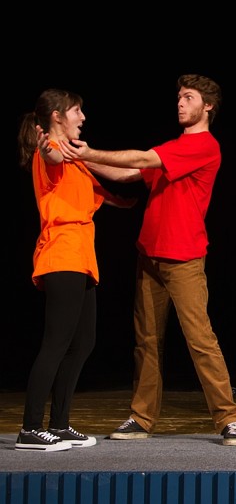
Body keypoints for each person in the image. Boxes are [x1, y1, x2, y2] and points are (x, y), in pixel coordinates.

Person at [58, 74, 236, 446]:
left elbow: (144, 158)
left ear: (208, 106)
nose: (180, 103)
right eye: (178, 97)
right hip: (149, 256)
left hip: (184, 258)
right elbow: (129, 172)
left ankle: (229, 418)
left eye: (188, 97)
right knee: (146, 342)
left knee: (200, 340)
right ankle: (141, 418)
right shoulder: (174, 147)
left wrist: (87, 152)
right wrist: (78, 158)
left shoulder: (204, 146)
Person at [16, 89, 134, 451]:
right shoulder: (52, 148)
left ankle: (60, 424)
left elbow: (113, 189)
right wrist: (47, 145)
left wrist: (139, 190)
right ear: (57, 116)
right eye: (76, 111)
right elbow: (50, 154)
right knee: (57, 342)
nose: (82, 117)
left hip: (81, 256)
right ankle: (30, 428)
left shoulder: (76, 160)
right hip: (62, 253)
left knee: (83, 342)